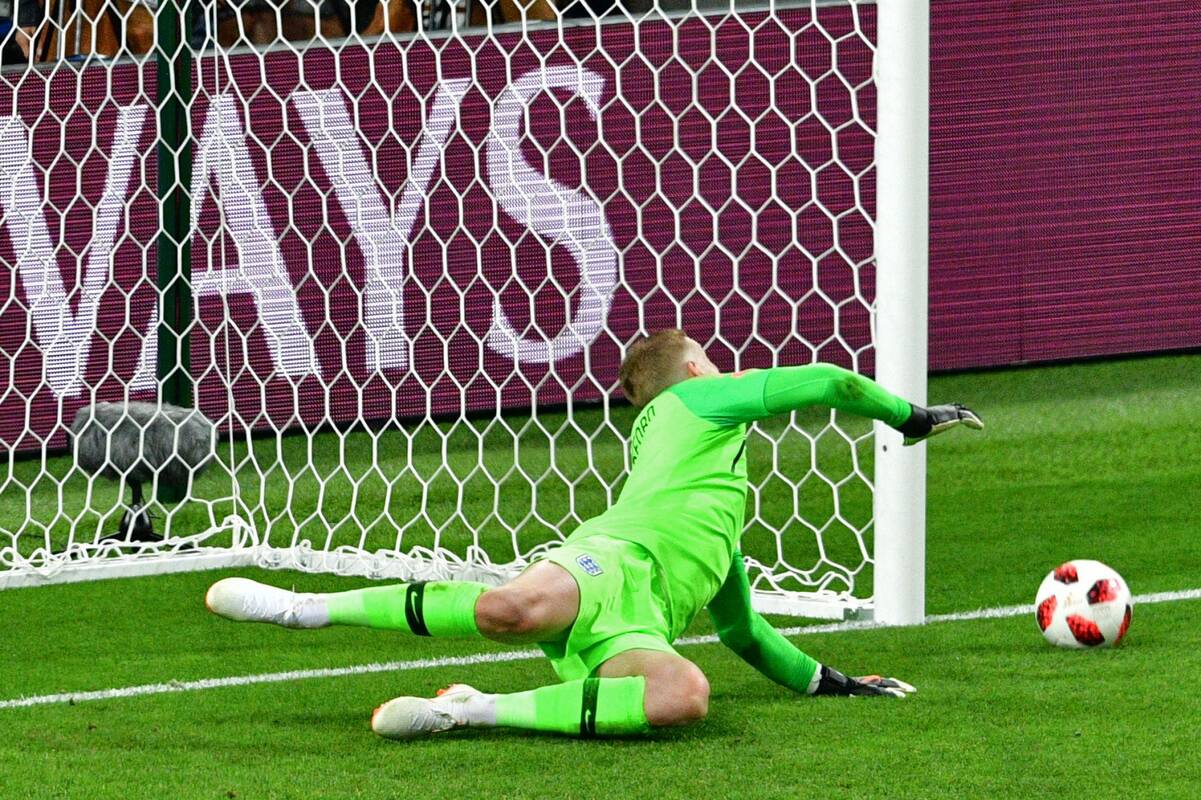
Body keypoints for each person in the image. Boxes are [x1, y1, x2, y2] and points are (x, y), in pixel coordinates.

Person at [206, 328, 983, 739]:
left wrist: (834, 682)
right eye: (712, 363)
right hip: (606, 561)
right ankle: (304, 608)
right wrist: (909, 417)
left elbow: (744, 633)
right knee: (507, 610)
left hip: (634, 627)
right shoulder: (693, 404)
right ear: (692, 374)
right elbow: (827, 380)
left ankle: (469, 709)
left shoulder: (715, 520)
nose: (725, 373)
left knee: (684, 695)